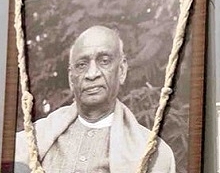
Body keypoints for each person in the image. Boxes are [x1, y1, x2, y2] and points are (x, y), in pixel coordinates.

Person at [15, 25, 175, 173]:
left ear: (122, 70)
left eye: (104, 61)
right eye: (82, 65)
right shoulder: (32, 139)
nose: (92, 74)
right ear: (71, 79)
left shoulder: (155, 154)